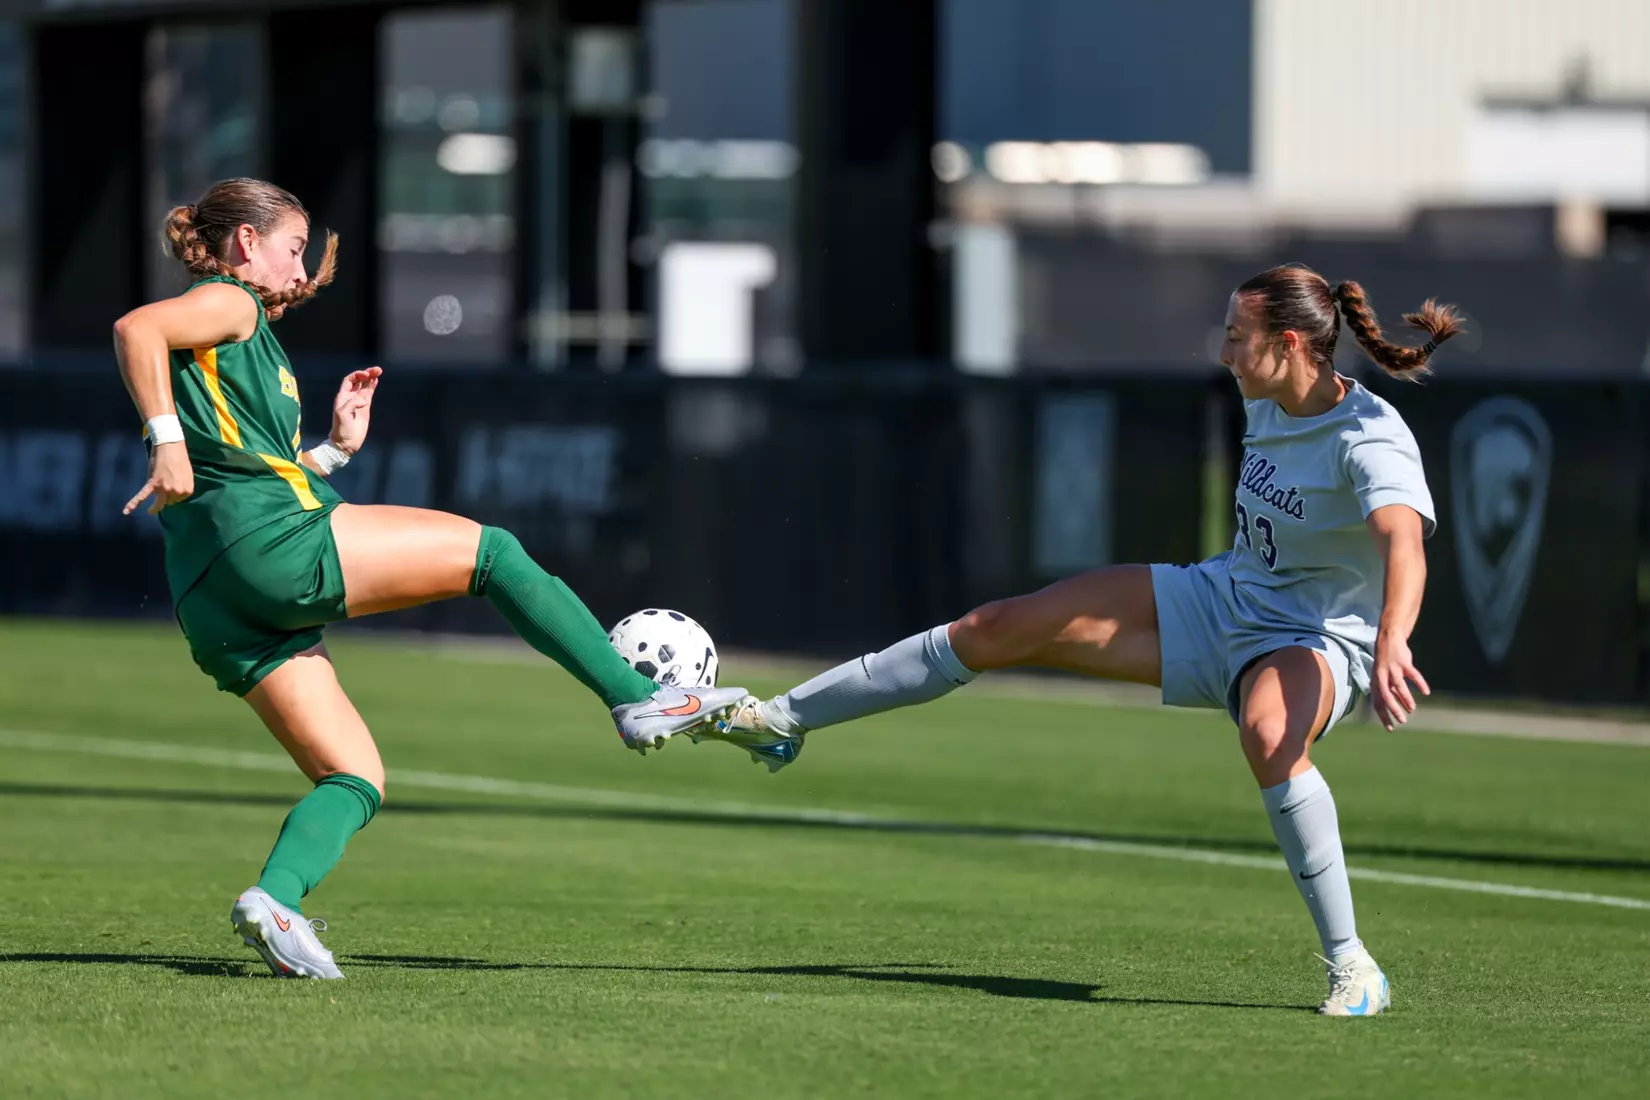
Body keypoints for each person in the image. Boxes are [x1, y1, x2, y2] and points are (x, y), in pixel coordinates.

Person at [687, 263, 1460, 1017]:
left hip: (1316, 638)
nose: (1224, 351)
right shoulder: (1266, 395)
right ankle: (779, 721)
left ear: (1289, 345)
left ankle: (1353, 965)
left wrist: (1393, 641)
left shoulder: (1369, 436)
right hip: (1222, 599)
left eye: (1236, 335)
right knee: (996, 628)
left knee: (1268, 732)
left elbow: (1403, 544)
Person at [113, 177, 747, 980]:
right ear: (246, 241)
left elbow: (246, 464)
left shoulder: (237, 339)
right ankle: (635, 698)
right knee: (495, 554)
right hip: (270, 544)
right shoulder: (230, 303)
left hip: (212, 595)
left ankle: (275, 900)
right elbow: (135, 327)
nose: (301, 270)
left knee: (354, 776)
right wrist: (165, 440)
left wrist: (334, 451)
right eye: (294, 248)